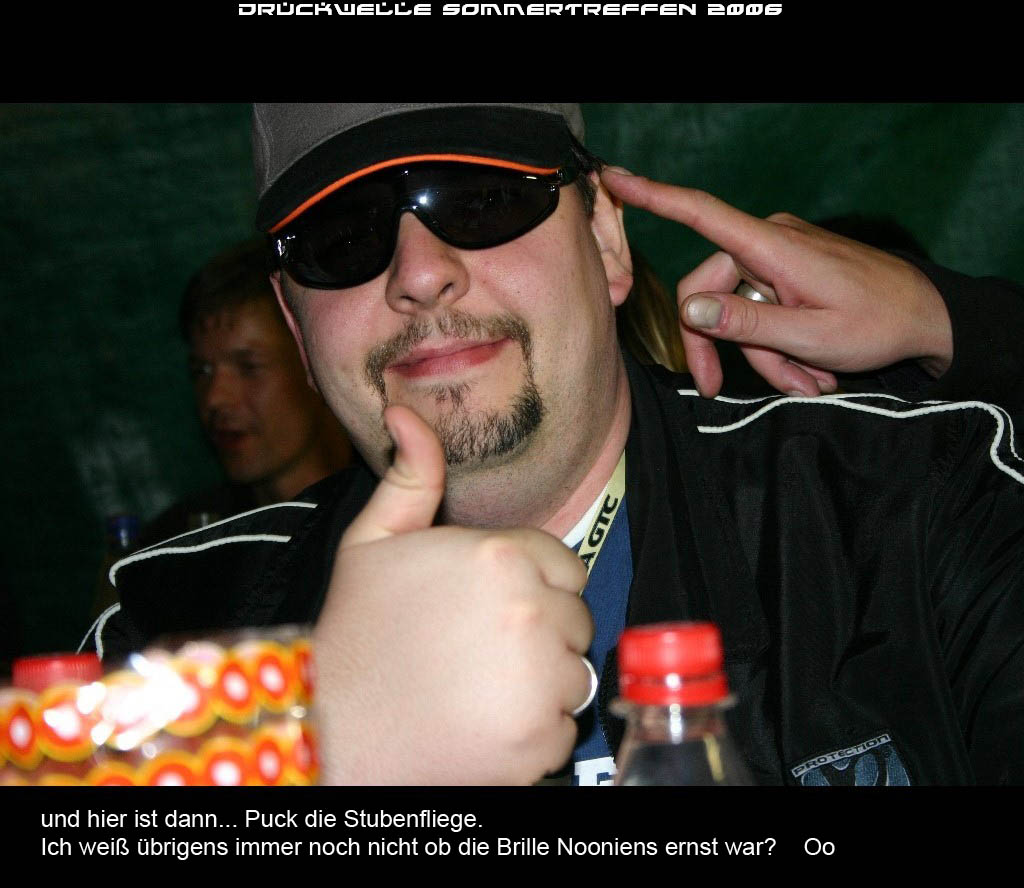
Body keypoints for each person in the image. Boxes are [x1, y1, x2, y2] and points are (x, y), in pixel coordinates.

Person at [88, 104, 1024, 786]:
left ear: (608, 243)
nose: (420, 273)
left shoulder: (901, 505)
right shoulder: (176, 616)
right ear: (298, 326)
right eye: (343, 236)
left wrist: (962, 323)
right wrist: (305, 754)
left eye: (482, 200)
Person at [139, 237, 353, 546]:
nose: (214, 399)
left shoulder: (398, 520)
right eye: (201, 371)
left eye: (248, 367)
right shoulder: (183, 545)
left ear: (316, 362)